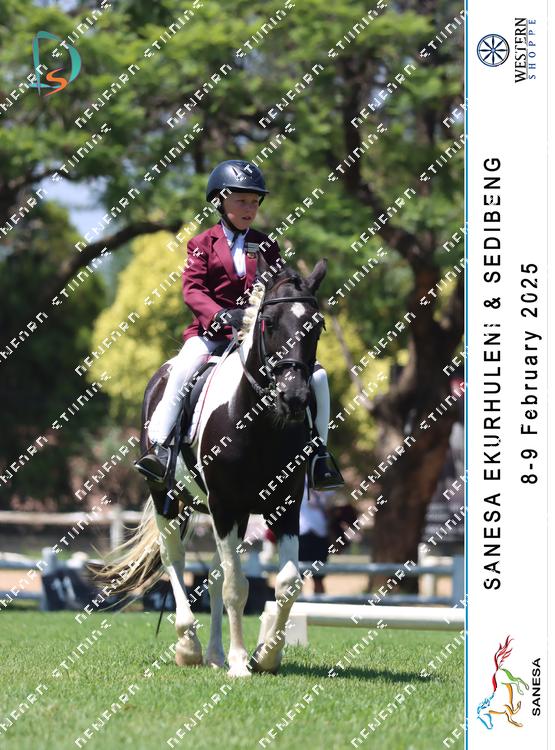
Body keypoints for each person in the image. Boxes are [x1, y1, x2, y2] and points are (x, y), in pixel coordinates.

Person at [134, 159, 344, 490]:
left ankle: (319, 456)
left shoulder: (266, 245)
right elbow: (192, 290)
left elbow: (279, 289)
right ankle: (160, 449)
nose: (250, 208)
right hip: (211, 335)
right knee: (182, 369)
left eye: (254, 202)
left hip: (257, 338)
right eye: (242, 201)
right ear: (220, 202)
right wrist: (220, 314)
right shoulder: (201, 244)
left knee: (317, 375)